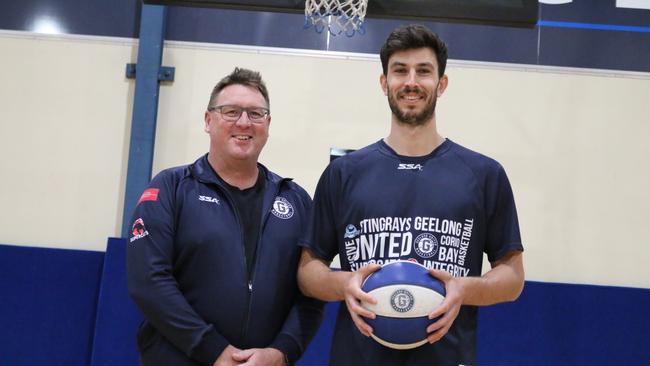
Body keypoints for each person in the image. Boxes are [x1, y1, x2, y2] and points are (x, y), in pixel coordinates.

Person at [297, 24, 525, 366]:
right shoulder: (344, 173)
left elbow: (512, 278)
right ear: (383, 82)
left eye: (424, 71)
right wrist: (345, 284)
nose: (411, 82)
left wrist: (464, 290)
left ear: (442, 84)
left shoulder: (483, 174)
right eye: (400, 71)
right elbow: (307, 272)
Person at [127, 67, 323, 366]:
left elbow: (310, 293)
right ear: (208, 120)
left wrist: (282, 352)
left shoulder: (295, 200)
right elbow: (149, 282)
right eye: (231, 111)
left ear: (268, 124)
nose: (244, 122)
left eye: (256, 114)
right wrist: (212, 349)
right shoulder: (170, 188)